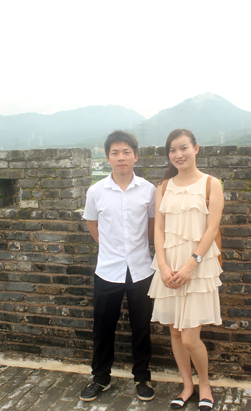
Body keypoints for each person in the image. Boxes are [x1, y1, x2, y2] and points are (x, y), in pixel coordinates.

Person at [148, 129, 224, 411]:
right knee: (176, 334)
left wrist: (191, 265)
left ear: (196, 148)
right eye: (172, 150)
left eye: (183, 148)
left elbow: (212, 229)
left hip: (198, 268)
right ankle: (187, 385)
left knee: (191, 337)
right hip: (168, 268)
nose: (178, 154)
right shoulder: (163, 186)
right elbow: (158, 228)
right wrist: (163, 265)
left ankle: (204, 384)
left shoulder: (211, 184)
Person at [81, 130, 156, 402]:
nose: (121, 157)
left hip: (141, 269)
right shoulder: (96, 191)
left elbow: (152, 226)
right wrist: (110, 248)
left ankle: (142, 377)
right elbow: (92, 224)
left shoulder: (148, 190)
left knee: (142, 327)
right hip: (107, 270)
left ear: (136, 156)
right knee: (102, 328)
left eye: (126, 152)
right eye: (115, 153)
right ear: (107, 158)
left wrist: (137, 247)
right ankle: (100, 378)